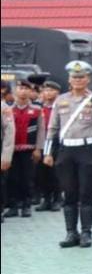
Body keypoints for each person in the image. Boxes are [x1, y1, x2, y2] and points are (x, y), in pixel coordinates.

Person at [42, 61, 92, 248]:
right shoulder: (61, 100)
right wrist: (48, 152)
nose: (78, 80)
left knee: (87, 192)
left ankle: (87, 232)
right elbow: (52, 128)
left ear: (88, 79)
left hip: (87, 150)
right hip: (66, 151)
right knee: (69, 192)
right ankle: (71, 232)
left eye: (81, 77)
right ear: (69, 79)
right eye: (74, 77)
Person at [5, 80, 43, 219]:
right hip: (11, 150)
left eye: (26, 89)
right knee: (12, 178)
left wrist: (38, 148)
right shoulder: (7, 109)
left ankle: (26, 205)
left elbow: (41, 131)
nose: (23, 91)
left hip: (29, 149)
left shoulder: (37, 110)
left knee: (27, 178)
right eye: (20, 88)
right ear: (15, 91)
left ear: (30, 91)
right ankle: (13, 206)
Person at [34, 80, 62, 211]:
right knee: (42, 172)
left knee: (55, 172)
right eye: (45, 90)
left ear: (58, 92)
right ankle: (46, 198)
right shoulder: (39, 108)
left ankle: (57, 198)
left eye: (51, 90)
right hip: (42, 142)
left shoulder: (62, 106)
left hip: (57, 143)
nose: (48, 93)